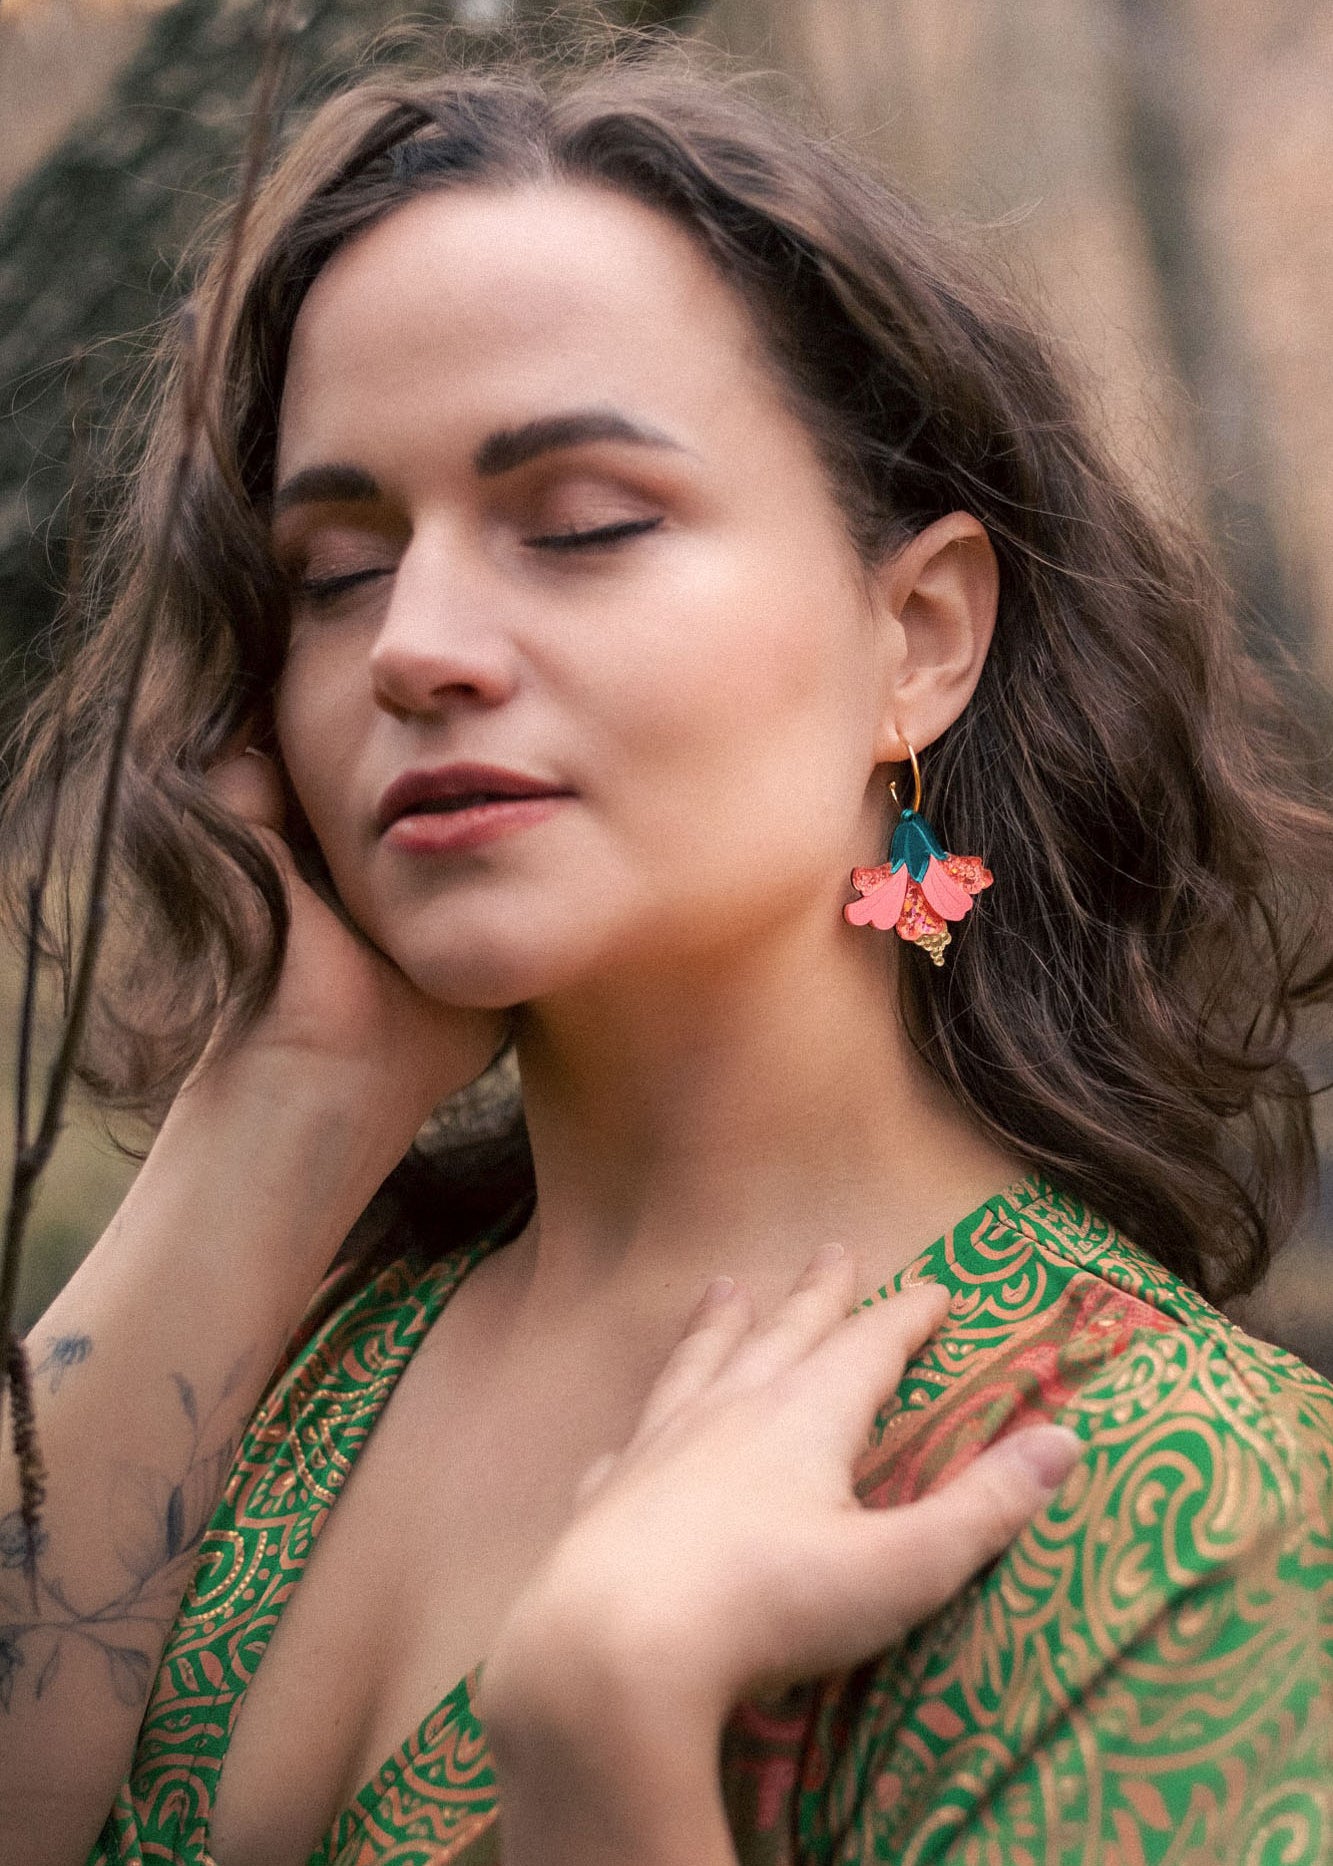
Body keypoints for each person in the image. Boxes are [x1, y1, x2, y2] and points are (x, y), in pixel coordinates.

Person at [1, 41, 1330, 1866]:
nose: (415, 644)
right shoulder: (284, 1351)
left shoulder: (1178, 1506)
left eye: (580, 527)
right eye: (333, 571)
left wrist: (612, 1754)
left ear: (918, 637)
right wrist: (289, 1087)